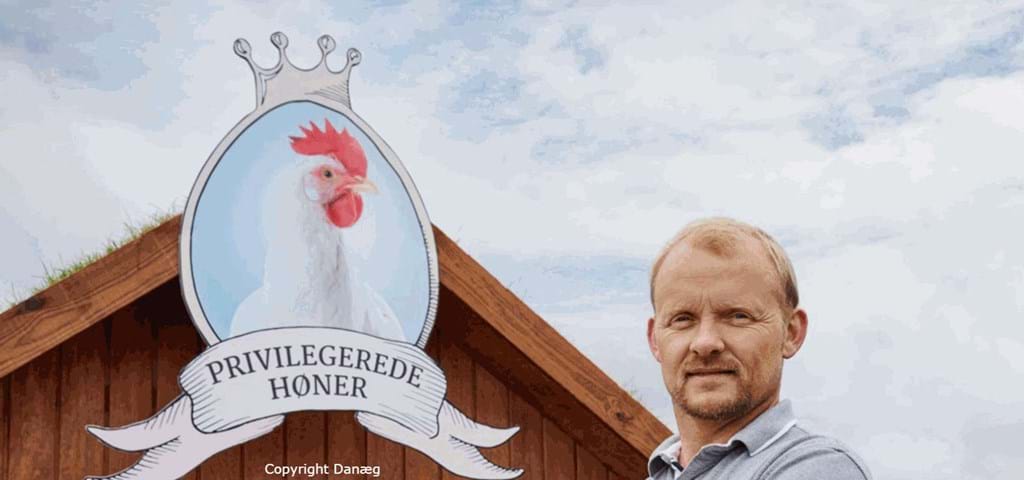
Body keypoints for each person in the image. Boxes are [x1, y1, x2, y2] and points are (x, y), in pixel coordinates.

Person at [646, 217, 871, 480]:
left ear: (791, 333)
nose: (705, 343)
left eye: (738, 316)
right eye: (682, 319)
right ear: (654, 340)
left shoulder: (821, 469)